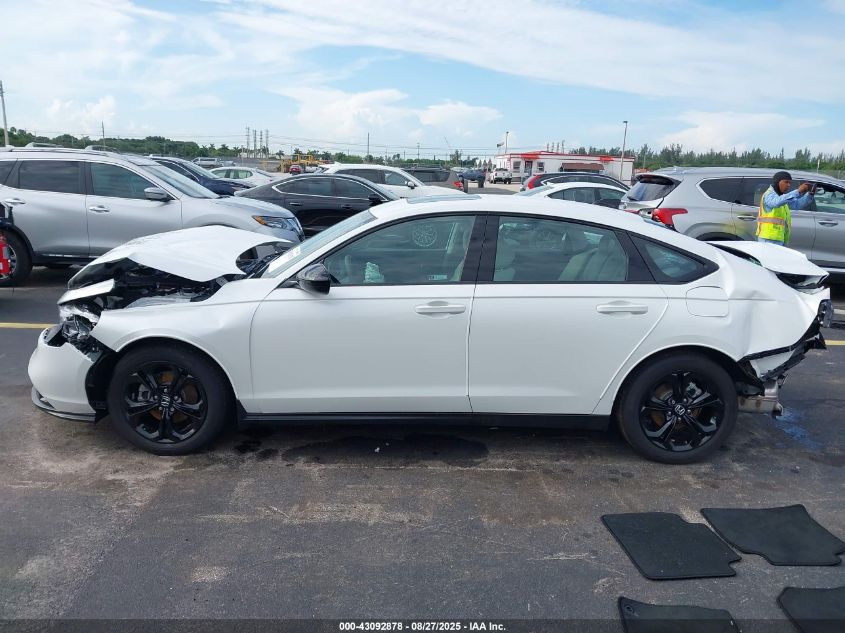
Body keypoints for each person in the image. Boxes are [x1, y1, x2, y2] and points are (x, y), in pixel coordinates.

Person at [757, 171, 814, 245]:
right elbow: (776, 202)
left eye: (790, 183)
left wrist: (809, 195)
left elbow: (797, 205)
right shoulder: (769, 194)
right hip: (768, 239)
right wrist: (798, 191)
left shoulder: (782, 197)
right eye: (786, 182)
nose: (788, 185)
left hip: (779, 238)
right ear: (777, 182)